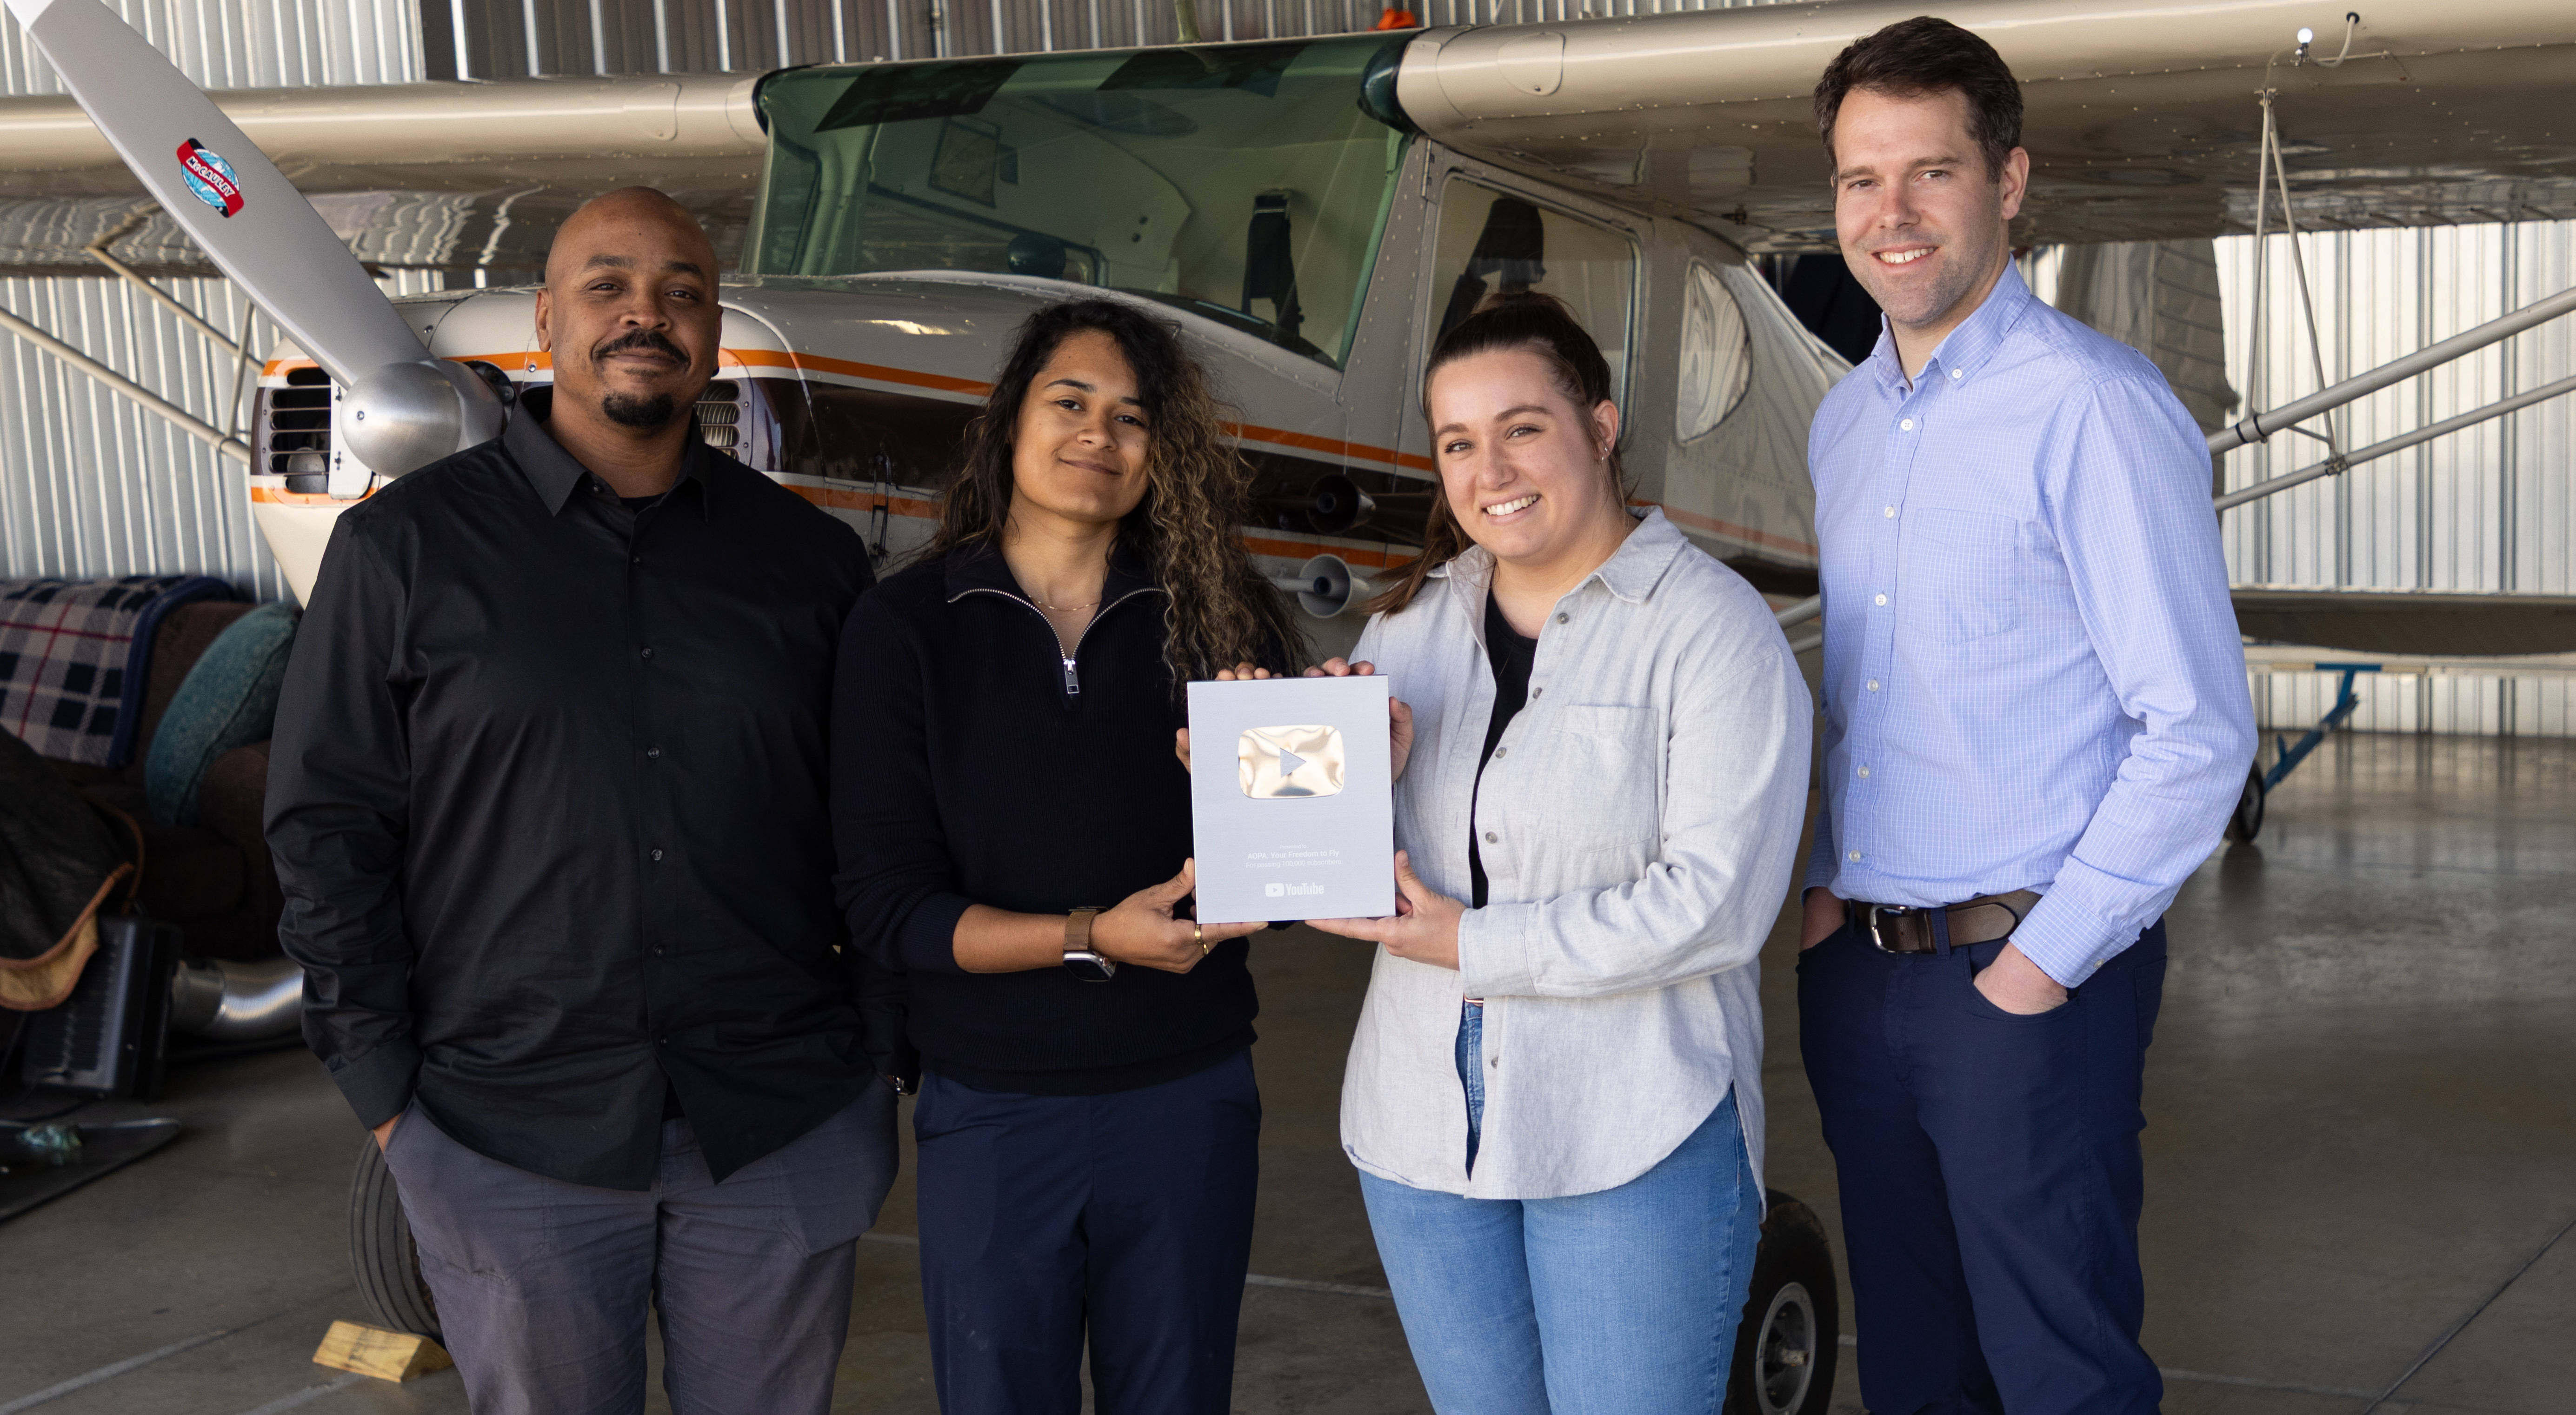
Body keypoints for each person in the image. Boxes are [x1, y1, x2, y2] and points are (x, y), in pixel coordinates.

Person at [267, 187, 900, 1415]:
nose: (644, 314)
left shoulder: (808, 562)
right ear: (547, 323)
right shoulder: (401, 552)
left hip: (778, 1119)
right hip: (502, 1127)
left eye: (681, 290)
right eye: (607, 286)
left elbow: (872, 820)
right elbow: (325, 825)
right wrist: (384, 1093)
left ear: (714, 336)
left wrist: (876, 1059)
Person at [1797, 18, 2256, 1415]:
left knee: (2058, 1369)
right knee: (1918, 1368)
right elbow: (1861, 692)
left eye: (1928, 172)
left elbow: (2195, 728)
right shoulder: (1847, 424)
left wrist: (2040, 965)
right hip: (1860, 970)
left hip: (2022, 974)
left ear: (2008, 181)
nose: (1890, 214)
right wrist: (1821, 897)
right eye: (1859, 178)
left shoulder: (2093, 407)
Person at [1300, 294, 1811, 1414]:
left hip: (1632, 1126)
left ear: (1600, 425)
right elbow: (1354, 881)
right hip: (1420, 1130)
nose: (1491, 468)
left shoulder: (1712, 629)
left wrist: (1471, 943)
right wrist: (1303, 776)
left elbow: (1713, 906)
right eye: (1457, 442)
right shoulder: (1403, 632)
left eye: (1522, 427)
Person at [831, 296, 1304, 1415]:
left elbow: (1286, 882)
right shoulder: (904, 630)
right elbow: (889, 907)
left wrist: (1286, 782)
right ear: (1007, 427)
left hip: (1186, 1100)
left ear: (1159, 454)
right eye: (1071, 402)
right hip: (994, 1110)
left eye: (1133, 418)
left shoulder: (1224, 622)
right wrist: (1093, 937)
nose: (1100, 433)